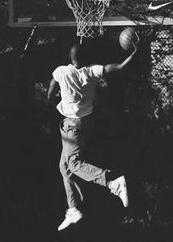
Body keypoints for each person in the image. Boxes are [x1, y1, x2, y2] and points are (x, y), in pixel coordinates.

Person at [47, 40, 138, 231]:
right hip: (88, 123)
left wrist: (49, 100)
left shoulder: (62, 71)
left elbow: (53, 83)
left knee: (73, 163)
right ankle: (73, 209)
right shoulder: (92, 71)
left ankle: (113, 183)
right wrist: (133, 53)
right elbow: (119, 67)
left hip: (72, 126)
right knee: (64, 166)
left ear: (69, 58)